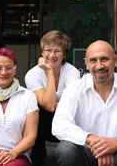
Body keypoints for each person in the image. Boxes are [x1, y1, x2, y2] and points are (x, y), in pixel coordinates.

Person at [24, 30, 80, 166]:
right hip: (42, 124)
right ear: (42, 53)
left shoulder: (72, 72)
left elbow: (70, 105)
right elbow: (48, 106)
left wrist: (54, 104)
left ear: (64, 54)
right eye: (48, 50)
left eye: (57, 51)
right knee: (35, 109)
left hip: (66, 120)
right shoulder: (32, 74)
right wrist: (49, 72)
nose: (52, 55)